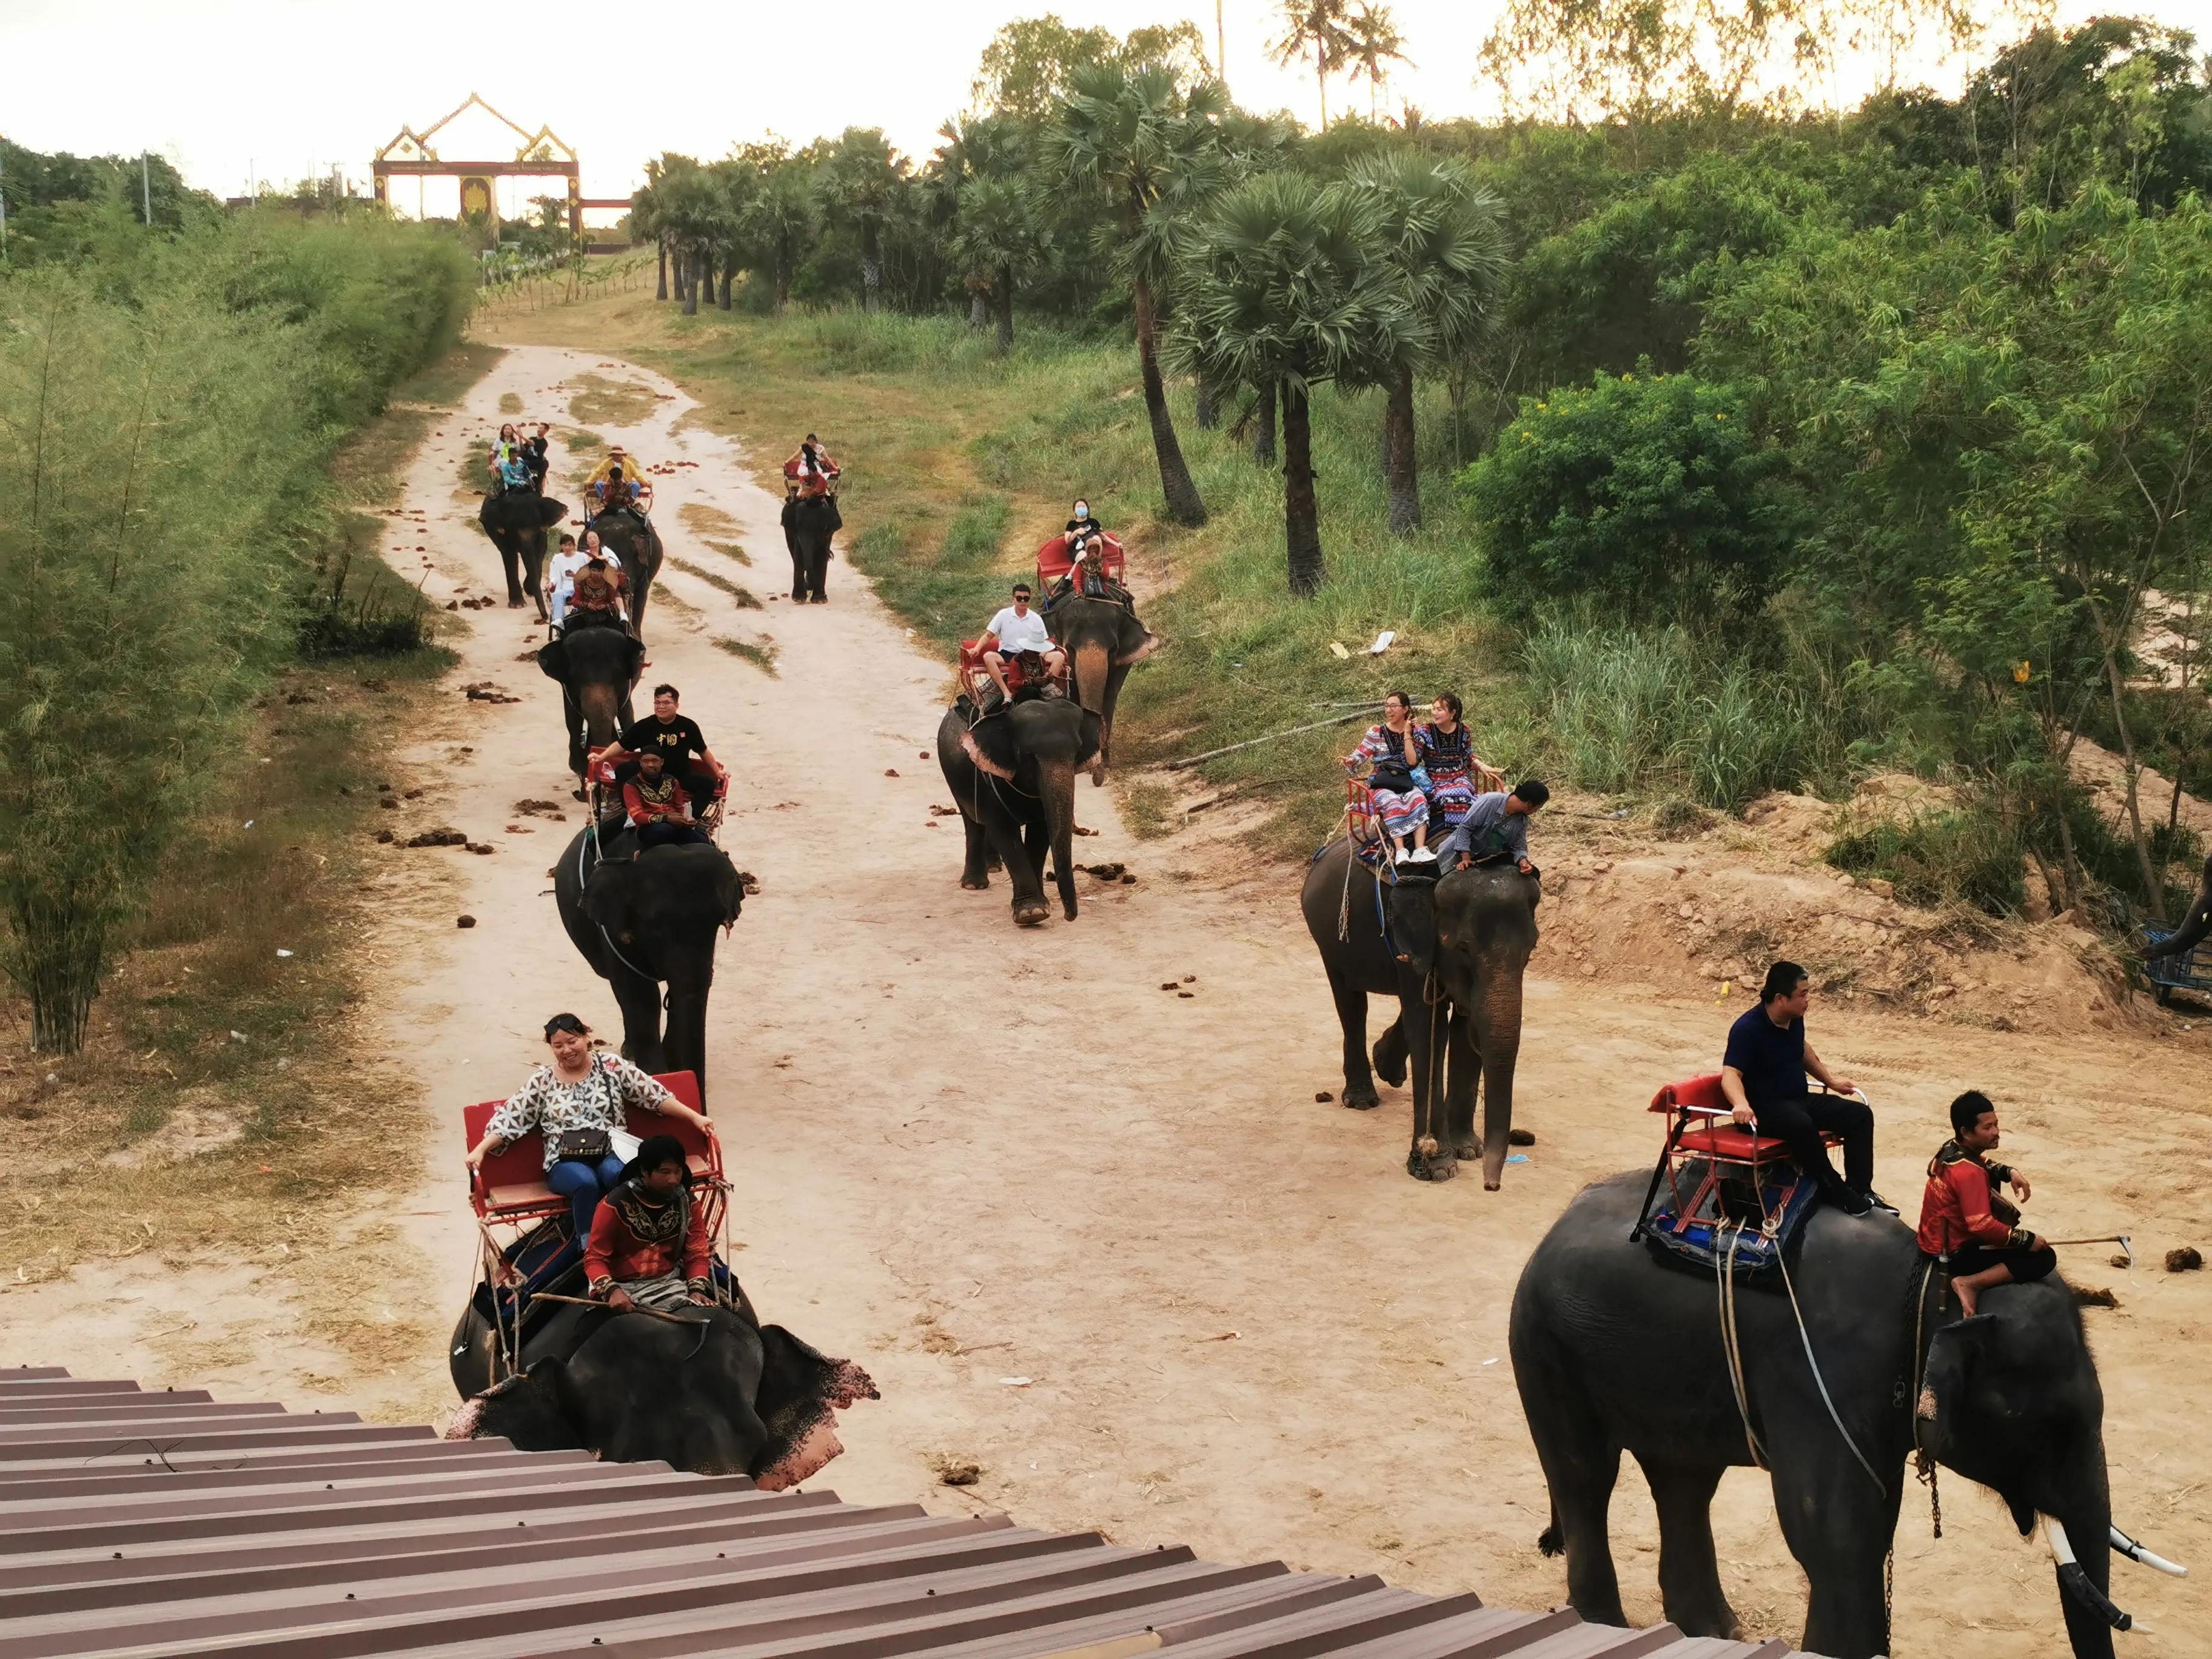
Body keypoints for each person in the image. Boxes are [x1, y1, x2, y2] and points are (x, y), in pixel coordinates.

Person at [466, 1013, 713, 1252]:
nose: (567, 1050)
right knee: (586, 1183)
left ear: (586, 1038)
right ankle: (590, 1248)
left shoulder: (611, 1067)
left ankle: (643, 1236)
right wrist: (481, 1149)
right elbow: (512, 1118)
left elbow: (652, 1095)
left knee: (618, 1174)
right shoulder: (542, 1081)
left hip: (611, 1151)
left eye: (572, 1041)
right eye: (558, 1045)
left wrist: (695, 1117)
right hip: (564, 1161)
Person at [1720, 961, 1883, 1216]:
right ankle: (1837, 1193)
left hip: (1797, 1100)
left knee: (1859, 1115)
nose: (1808, 1000)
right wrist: (1740, 1104)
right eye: (1803, 995)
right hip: (1764, 1110)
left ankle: (1861, 1189)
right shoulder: (1748, 1028)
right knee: (1801, 1125)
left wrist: (1831, 1082)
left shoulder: (1794, 1019)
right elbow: (1731, 1074)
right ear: (1780, 998)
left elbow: (1804, 1050)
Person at [1919, 1090, 2051, 1315]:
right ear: (1966, 1132)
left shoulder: (1950, 1148)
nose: (1996, 1132)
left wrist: (2009, 1172)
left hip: (1933, 1237)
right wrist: (2026, 1239)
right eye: (1987, 1128)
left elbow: (1981, 1161)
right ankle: (1970, 1283)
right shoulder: (1970, 1174)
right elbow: (1981, 1225)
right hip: (1954, 1253)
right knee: (2044, 1258)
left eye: (1996, 1125)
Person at [584, 1134, 716, 1313]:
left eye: (678, 1171)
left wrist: (697, 1289)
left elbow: (697, 1252)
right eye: (664, 1172)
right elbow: (595, 1258)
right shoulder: (613, 1205)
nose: (674, 1180)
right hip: (622, 1286)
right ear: (644, 1172)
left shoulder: (688, 1203)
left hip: (670, 1282)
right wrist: (612, 1291)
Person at [592, 685, 729, 823]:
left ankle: (691, 819)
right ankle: (629, 813)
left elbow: (703, 751)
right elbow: (621, 745)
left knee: (707, 784)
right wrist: (601, 757)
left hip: (679, 776)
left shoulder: (688, 726)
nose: (661, 707)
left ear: (677, 705)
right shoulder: (645, 726)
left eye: (666, 703)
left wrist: (717, 772)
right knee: (624, 769)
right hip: (648, 776)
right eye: (657, 703)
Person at [1344, 692, 1431, 864]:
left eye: (1394, 706)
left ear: (1406, 709)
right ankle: (1401, 850)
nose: (1389, 710)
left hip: (1404, 779)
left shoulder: (1417, 732)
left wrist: (1407, 734)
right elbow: (1361, 754)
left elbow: (1413, 762)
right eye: (1387, 706)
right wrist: (1351, 760)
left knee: (1419, 798)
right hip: (1382, 780)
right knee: (1392, 801)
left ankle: (1420, 849)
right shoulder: (1376, 732)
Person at [1412, 694, 1500, 833]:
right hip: (1435, 782)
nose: (1434, 713)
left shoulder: (1464, 731)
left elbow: (1468, 757)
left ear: (1453, 713)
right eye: (1433, 709)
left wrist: (1482, 766)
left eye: (1439, 709)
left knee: (1461, 791)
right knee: (1457, 796)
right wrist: (1408, 735)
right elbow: (1414, 760)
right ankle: (1459, 835)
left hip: (1460, 778)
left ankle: (1461, 834)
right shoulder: (1425, 731)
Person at [1436, 780, 1550, 874]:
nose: (1536, 812)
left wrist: (1523, 861)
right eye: (1538, 808)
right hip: (1459, 854)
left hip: (1485, 859)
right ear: (1530, 804)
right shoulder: (1491, 801)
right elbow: (1466, 828)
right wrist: (1465, 858)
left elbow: (1519, 846)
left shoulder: (1522, 820)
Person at [979, 581, 1065, 705]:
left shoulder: (1036, 618)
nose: (1023, 601)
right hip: (1007, 654)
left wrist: (1040, 656)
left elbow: (1044, 641)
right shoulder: (1003, 614)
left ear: (1029, 600)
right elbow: (988, 635)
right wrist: (976, 649)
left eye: (1026, 598)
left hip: (1032, 655)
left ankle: (1046, 686)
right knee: (988, 656)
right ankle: (1006, 692)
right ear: (1013, 599)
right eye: (1019, 598)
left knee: (1059, 656)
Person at [623, 749, 709, 852]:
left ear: (662, 762)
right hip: (649, 827)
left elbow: (680, 807)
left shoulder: (672, 781)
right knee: (665, 830)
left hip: (674, 824)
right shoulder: (631, 786)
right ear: (641, 763)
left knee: (704, 844)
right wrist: (666, 819)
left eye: (655, 761)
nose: (650, 765)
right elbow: (637, 817)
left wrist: (686, 820)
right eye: (646, 761)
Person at [563, 539, 629, 632]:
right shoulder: (582, 585)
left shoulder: (609, 587)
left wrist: (605, 606)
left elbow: (613, 602)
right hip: (585, 614)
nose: (596, 573)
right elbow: (575, 601)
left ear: (603, 573)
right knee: (567, 627)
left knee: (621, 629)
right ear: (590, 571)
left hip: (604, 615)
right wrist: (587, 605)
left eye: (599, 571)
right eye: (594, 570)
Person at [784, 434, 840, 498]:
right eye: (809, 442)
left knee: (819, 476)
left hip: (815, 467)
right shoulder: (804, 447)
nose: (811, 444)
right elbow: (795, 456)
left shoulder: (821, 448)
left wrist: (835, 467)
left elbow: (827, 459)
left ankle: (823, 490)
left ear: (816, 442)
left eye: (812, 442)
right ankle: (802, 490)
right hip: (804, 466)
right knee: (806, 473)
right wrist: (786, 462)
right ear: (807, 442)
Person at [488, 423, 534, 494]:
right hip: (502, 459)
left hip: (512, 458)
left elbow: (520, 451)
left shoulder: (514, 441)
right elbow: (493, 451)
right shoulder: (499, 440)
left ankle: (529, 479)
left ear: (512, 431)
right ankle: (508, 485)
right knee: (506, 464)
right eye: (505, 429)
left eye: (509, 429)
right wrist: (491, 463)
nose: (507, 431)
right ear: (503, 431)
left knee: (521, 461)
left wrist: (520, 438)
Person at [523, 422, 551, 492]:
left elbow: (538, 453)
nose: (538, 430)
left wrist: (531, 444)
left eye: (541, 428)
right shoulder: (532, 438)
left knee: (545, 463)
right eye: (538, 428)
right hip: (527, 460)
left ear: (546, 431)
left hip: (536, 461)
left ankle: (539, 483)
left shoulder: (544, 443)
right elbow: (524, 448)